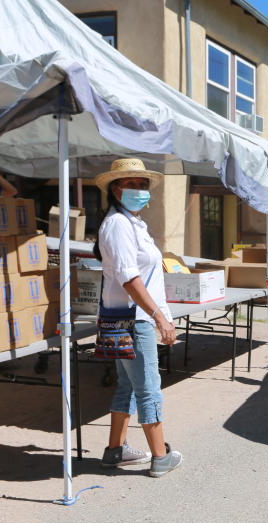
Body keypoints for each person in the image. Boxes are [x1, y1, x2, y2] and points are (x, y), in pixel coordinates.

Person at [94, 158, 182, 477]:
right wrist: (160, 317)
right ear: (116, 188)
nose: (140, 190)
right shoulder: (118, 224)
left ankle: (115, 450)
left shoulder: (132, 223)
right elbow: (130, 277)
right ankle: (160, 457)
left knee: (128, 387)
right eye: (132, 184)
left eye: (143, 184)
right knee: (148, 387)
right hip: (132, 319)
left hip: (127, 318)